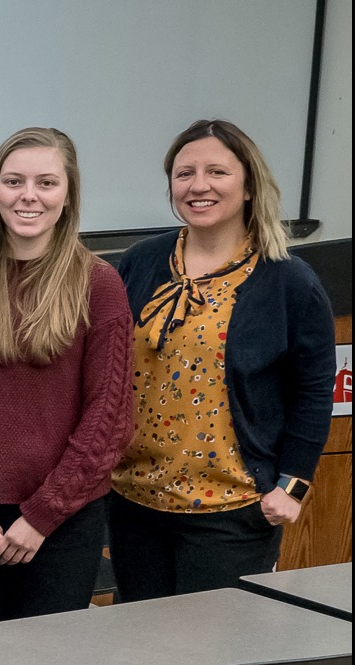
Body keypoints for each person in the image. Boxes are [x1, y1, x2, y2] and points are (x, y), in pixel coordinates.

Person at [108, 119, 336, 598]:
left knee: (211, 664)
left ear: (249, 184)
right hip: (134, 503)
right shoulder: (141, 261)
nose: (199, 185)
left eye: (217, 172)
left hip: (232, 509)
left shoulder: (289, 281)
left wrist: (293, 483)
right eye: (184, 173)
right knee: (140, 656)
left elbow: (312, 391)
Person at [0, 127, 135, 623]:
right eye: (14, 181)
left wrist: (41, 516)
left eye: (46, 182)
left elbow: (109, 417)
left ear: (68, 194)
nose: (28, 196)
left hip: (60, 523)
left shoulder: (99, 286)